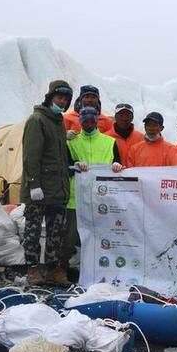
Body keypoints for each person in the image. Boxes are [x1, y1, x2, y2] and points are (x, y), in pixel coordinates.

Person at [59, 107, 121, 286]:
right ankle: (62, 270)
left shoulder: (109, 142)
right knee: (70, 239)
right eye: (84, 121)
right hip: (75, 198)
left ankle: (104, 272)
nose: (88, 124)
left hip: (102, 200)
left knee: (101, 237)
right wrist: (74, 165)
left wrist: (117, 166)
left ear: (96, 121)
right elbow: (65, 167)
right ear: (80, 122)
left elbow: (118, 164)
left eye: (91, 121)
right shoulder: (71, 143)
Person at [21, 79, 73, 285]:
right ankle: (32, 269)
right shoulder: (37, 120)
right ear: (50, 97)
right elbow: (31, 156)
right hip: (40, 189)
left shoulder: (58, 121)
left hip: (57, 189)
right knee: (33, 230)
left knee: (56, 230)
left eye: (66, 99)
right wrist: (34, 184)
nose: (63, 102)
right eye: (60, 97)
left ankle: (53, 269)